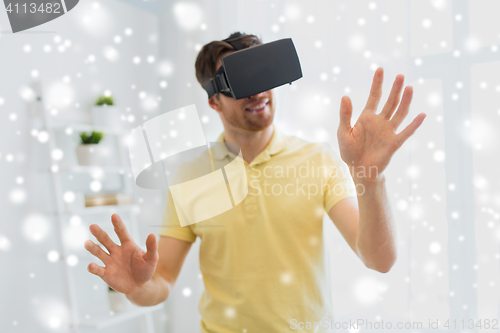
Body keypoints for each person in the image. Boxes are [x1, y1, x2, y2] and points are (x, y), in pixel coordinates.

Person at [84, 32, 426, 332]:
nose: (258, 91)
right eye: (240, 81)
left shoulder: (317, 159)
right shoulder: (189, 176)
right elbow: (162, 282)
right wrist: (136, 288)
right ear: (213, 100)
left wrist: (371, 177)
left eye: (263, 74)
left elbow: (379, 260)